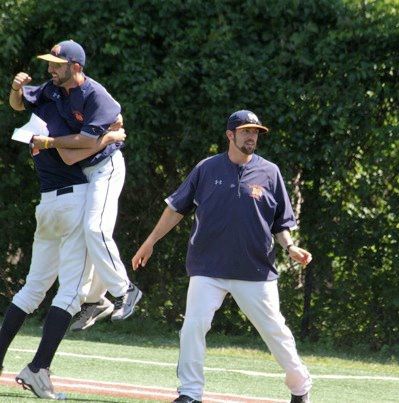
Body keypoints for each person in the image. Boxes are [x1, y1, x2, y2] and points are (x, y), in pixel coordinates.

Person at [131, 110, 313, 403]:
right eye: (246, 132)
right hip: (208, 267)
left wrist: (290, 247)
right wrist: (150, 241)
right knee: (193, 326)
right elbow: (176, 208)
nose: (252, 137)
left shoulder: (270, 172)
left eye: (255, 132)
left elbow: (280, 224)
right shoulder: (206, 169)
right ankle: (190, 393)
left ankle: (300, 386)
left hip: (254, 270)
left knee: (275, 332)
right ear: (230, 135)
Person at [9, 40, 142, 330]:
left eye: (57, 64)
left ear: (76, 67)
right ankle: (97, 300)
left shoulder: (96, 95)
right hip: (84, 170)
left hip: (106, 169)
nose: (50, 69)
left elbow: (87, 140)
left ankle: (126, 291)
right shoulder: (52, 90)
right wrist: (16, 89)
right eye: (50, 63)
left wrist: (53, 142)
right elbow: (19, 105)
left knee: (95, 229)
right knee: (87, 232)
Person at [0, 101, 125, 398]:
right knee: (71, 292)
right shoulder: (57, 127)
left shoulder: (34, 129)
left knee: (32, 289)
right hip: (74, 203)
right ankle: (38, 368)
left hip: (47, 205)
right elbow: (78, 149)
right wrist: (111, 136)